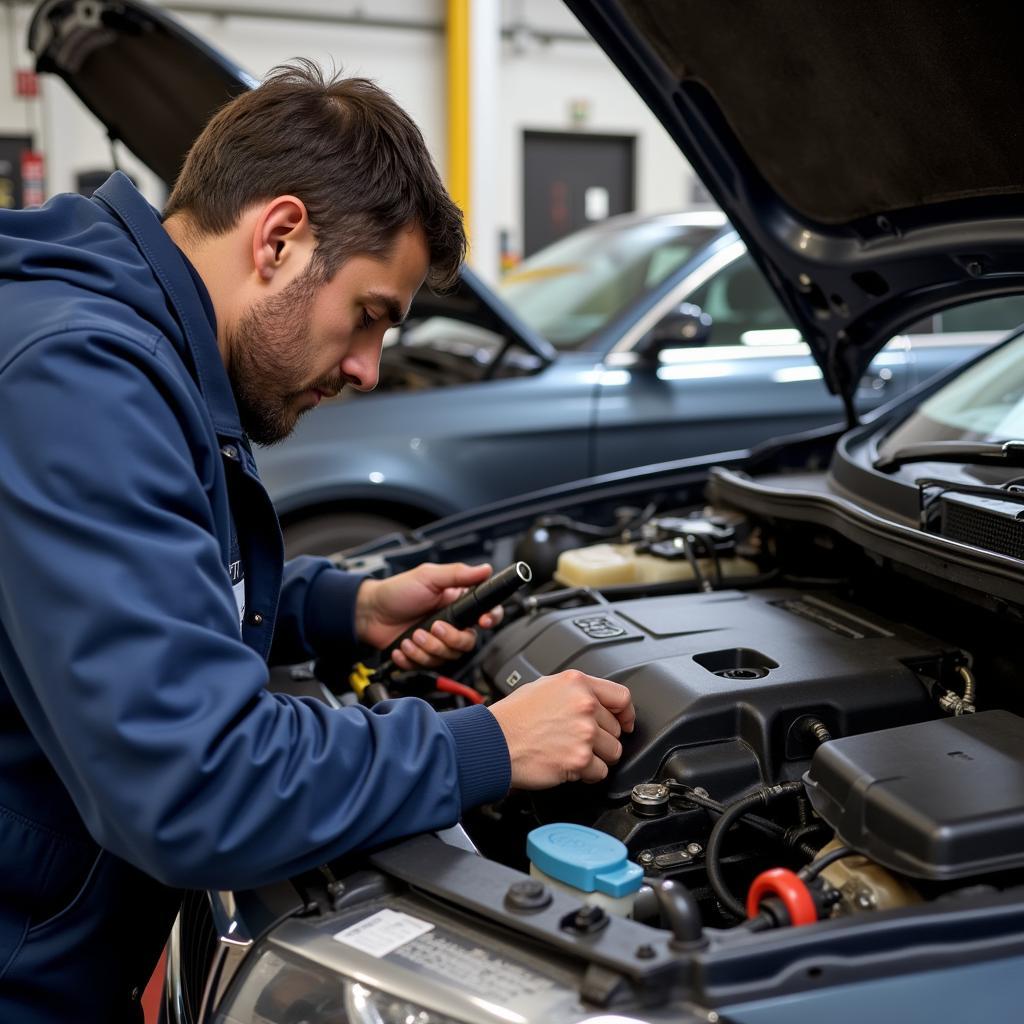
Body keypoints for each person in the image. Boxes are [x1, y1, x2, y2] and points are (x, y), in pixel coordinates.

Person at [0, 62, 635, 1023]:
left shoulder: (133, 338)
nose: (370, 370)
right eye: (370, 315)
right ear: (281, 237)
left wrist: (343, 607)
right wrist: (489, 742)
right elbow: (196, 787)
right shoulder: (81, 379)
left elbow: (138, 584)